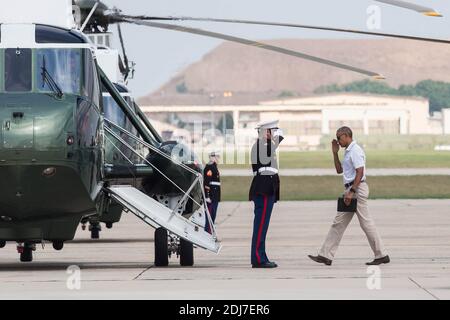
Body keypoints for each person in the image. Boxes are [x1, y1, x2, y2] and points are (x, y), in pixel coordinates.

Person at [308, 126, 390, 266]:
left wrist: (352, 191)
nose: (338, 141)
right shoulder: (348, 151)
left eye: (339, 138)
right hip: (351, 189)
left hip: (356, 190)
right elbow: (339, 170)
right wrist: (335, 153)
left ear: (346, 136)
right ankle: (325, 255)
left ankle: (381, 254)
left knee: (366, 224)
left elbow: (360, 172)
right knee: (338, 223)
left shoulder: (355, 150)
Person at [249, 120, 284, 268]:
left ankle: (261, 255)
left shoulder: (266, 145)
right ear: (265, 132)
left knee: (263, 226)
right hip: (263, 189)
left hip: (267, 188)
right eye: (271, 131)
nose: (273, 134)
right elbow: (273, 145)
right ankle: (258, 258)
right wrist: (279, 137)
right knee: (260, 225)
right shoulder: (261, 146)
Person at [204, 151, 221, 233]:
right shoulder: (210, 167)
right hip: (211, 196)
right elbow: (207, 182)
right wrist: (207, 196)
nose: (218, 158)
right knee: (210, 215)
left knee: (213, 215)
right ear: (212, 157)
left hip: (215, 195)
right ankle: (208, 232)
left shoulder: (214, 167)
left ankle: (210, 232)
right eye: (216, 156)